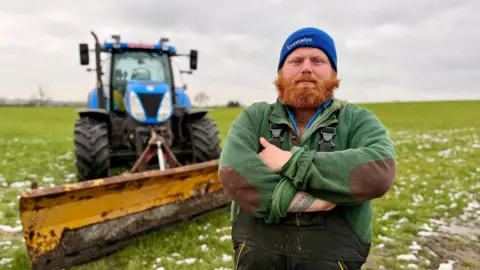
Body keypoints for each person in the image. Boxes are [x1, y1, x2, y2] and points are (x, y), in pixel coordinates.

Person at [218, 27, 396, 270]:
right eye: (296, 60)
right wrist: (311, 199)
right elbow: (233, 172)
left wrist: (290, 162)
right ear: (281, 72)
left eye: (318, 60)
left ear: (333, 72)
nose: (306, 68)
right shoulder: (254, 118)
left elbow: (379, 170)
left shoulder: (357, 121)